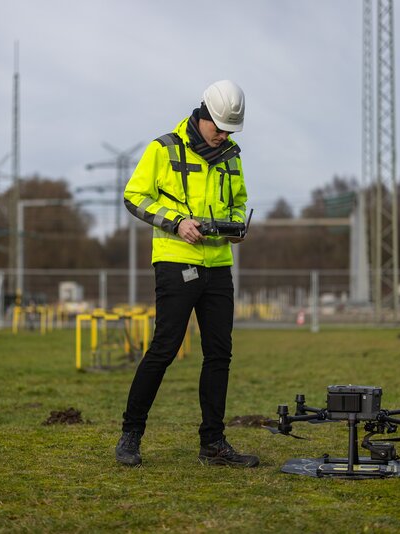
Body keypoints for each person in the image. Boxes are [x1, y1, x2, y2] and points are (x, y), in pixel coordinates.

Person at [115, 80, 259, 468]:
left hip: (219, 266)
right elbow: (134, 196)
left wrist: (235, 228)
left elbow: (239, 201)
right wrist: (177, 222)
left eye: (230, 130)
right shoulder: (163, 148)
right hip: (177, 261)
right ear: (203, 115)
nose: (223, 135)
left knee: (219, 354)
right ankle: (131, 434)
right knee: (164, 349)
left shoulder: (232, 156)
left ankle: (212, 443)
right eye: (219, 128)